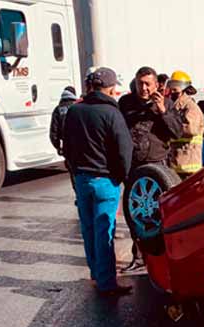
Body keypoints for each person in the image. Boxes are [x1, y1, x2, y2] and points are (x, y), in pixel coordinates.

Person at [62, 67, 134, 296]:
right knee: (104, 231)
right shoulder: (112, 113)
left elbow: (67, 146)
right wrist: (122, 176)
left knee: (89, 229)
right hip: (105, 180)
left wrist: (75, 170)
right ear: (111, 89)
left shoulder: (74, 111)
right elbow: (124, 149)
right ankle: (106, 283)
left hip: (82, 179)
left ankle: (96, 272)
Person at [118, 66, 184, 273]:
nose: (144, 88)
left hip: (158, 166)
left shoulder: (167, 104)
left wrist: (163, 111)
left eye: (148, 84)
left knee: (162, 214)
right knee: (135, 212)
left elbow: (177, 132)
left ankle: (166, 258)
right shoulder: (126, 103)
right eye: (140, 84)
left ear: (156, 85)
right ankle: (138, 256)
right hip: (133, 166)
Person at [166, 70, 204, 178]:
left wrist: (171, 126)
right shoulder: (176, 105)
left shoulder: (191, 107)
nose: (172, 90)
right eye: (171, 85)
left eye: (175, 86)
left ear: (183, 87)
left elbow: (191, 129)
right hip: (177, 163)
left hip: (188, 166)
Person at [49, 85, 78, 193]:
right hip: (81, 145)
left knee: (73, 173)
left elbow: (53, 133)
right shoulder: (78, 106)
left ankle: (78, 194)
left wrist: (58, 147)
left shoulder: (58, 109)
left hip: (67, 146)